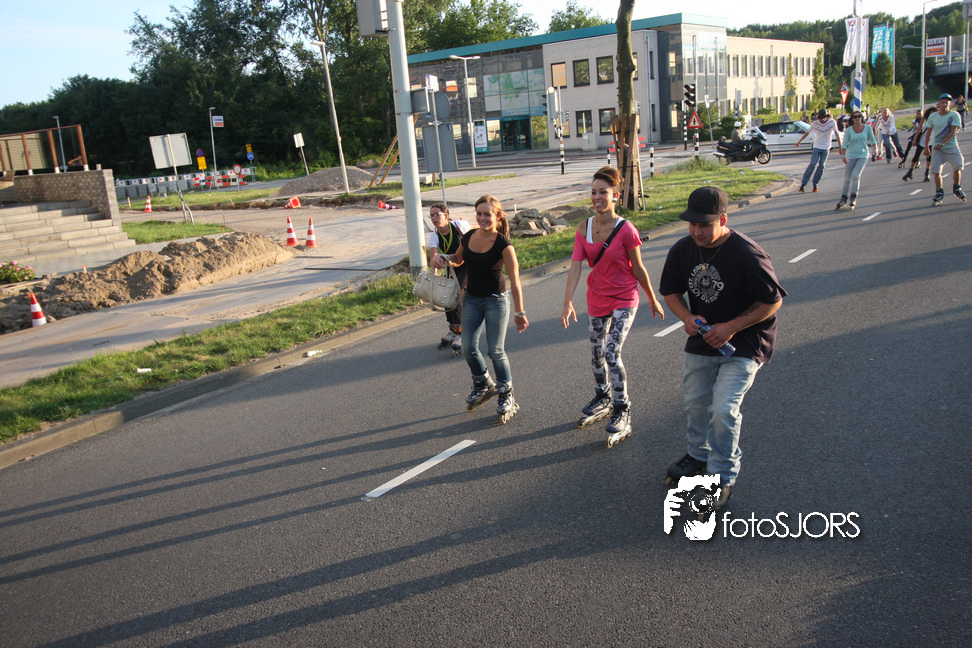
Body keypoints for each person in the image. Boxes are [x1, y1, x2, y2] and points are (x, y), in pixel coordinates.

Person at [659, 186, 786, 511]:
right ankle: (698, 455)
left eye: (705, 225)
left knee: (723, 409)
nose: (697, 231)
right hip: (703, 338)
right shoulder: (683, 249)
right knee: (696, 404)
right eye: (692, 224)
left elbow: (772, 301)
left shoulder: (747, 254)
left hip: (744, 342)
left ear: (724, 220)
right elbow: (671, 292)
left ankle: (722, 475)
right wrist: (687, 318)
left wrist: (730, 327)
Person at [561, 166, 665, 446]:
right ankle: (603, 396)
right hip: (597, 297)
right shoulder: (584, 228)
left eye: (603, 192)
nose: (597, 197)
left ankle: (622, 408)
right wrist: (567, 301)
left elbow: (638, 267)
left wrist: (652, 298)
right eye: (593, 192)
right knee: (596, 354)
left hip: (624, 297)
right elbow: (575, 267)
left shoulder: (627, 229)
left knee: (611, 352)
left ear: (615, 195)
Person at [431, 195, 529, 421]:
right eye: (479, 213)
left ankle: (506, 393)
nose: (482, 218)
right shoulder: (469, 236)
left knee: (495, 351)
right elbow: (458, 259)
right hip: (472, 300)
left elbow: (515, 280)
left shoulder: (504, 244)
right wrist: (443, 259)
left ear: (497, 216)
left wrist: (520, 311)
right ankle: (484, 383)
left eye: (487, 214)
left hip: (496, 301)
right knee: (468, 347)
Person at [427, 203, 472, 355]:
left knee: (457, 297)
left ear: (446, 216)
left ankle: (462, 333)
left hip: (468, 265)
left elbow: (475, 236)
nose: (434, 218)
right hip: (451, 266)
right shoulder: (434, 235)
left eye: (437, 214)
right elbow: (433, 257)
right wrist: (435, 272)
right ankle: (454, 329)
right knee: (445, 297)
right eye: (431, 216)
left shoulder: (459, 226)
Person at [924, 93, 966, 204]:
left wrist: (942, 143)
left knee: (958, 166)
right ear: (939, 104)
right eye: (942, 102)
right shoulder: (933, 116)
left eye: (946, 102)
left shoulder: (954, 115)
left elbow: (953, 132)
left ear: (950, 103)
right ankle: (939, 192)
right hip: (937, 148)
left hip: (951, 146)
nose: (944, 104)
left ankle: (957, 187)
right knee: (936, 170)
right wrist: (926, 147)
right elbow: (928, 132)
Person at [835, 110, 877, 210]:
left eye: (859, 116)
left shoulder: (867, 128)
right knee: (848, 178)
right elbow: (845, 144)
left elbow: (873, 140)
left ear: (862, 117)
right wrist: (844, 156)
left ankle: (853, 197)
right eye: (855, 117)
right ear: (852, 119)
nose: (857, 118)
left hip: (863, 155)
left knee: (856, 175)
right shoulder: (849, 130)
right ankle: (843, 198)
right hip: (851, 155)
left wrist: (876, 149)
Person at [794, 109, 841, 193]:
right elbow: (808, 132)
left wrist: (840, 146)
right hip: (817, 146)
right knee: (813, 164)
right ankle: (803, 184)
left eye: (824, 118)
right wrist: (799, 141)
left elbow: (836, 133)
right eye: (821, 118)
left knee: (822, 165)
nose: (822, 119)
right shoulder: (815, 123)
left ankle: (815, 184)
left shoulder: (832, 122)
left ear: (827, 117)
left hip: (826, 147)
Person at [902, 107, 936, 182]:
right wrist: (915, 139)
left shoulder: (937, 120)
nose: (932, 115)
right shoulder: (924, 119)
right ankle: (910, 171)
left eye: (934, 114)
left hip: (932, 141)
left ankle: (927, 173)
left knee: (929, 157)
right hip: (922, 140)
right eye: (931, 114)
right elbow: (919, 130)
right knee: (916, 156)